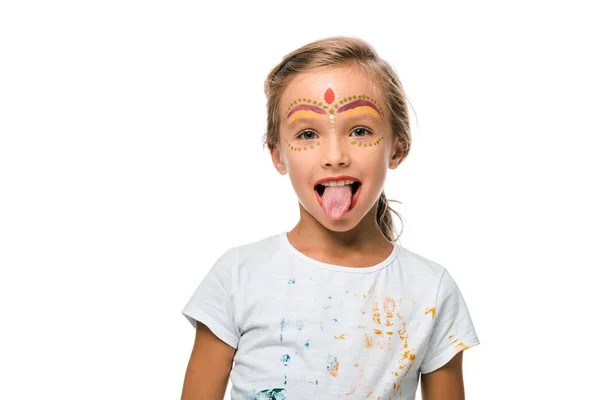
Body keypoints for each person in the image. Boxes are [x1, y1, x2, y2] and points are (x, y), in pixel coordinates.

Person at [180, 36, 480, 400]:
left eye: (360, 131)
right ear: (278, 155)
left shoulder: (431, 290)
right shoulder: (237, 276)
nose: (335, 155)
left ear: (397, 147)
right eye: (308, 134)